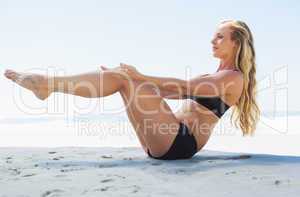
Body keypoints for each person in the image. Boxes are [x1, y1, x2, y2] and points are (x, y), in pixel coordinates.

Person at [4, 20, 260, 160]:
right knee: (121, 78)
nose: (212, 41)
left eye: (219, 37)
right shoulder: (215, 75)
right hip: (165, 140)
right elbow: (169, 93)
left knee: (126, 78)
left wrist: (138, 77)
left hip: (181, 143)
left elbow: (186, 86)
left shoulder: (234, 78)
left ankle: (47, 86)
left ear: (236, 43)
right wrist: (131, 81)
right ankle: (48, 86)